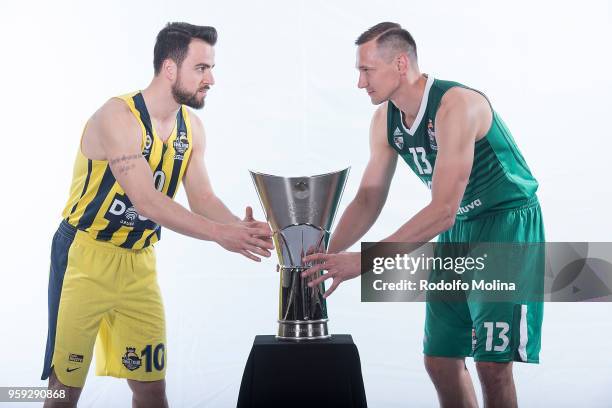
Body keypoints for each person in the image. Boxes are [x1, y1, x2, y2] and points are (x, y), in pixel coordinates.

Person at [302, 22, 544, 408]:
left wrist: (364, 261)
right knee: (441, 360)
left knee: (492, 366)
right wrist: (323, 250)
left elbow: (443, 210)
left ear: (400, 64)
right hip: (460, 227)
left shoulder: (456, 106)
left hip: (504, 227)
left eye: (366, 70)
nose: (360, 83)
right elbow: (368, 197)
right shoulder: (385, 119)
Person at [41, 22, 273, 408]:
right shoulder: (118, 117)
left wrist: (239, 226)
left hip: (139, 265)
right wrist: (218, 233)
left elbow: (202, 198)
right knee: (64, 391)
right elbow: (147, 201)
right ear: (170, 68)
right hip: (84, 256)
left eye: (211, 68)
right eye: (201, 68)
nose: (211, 78)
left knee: (150, 390)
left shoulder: (192, 129)